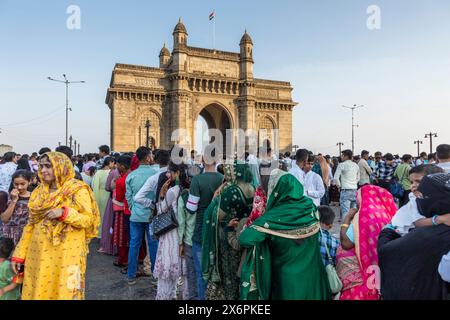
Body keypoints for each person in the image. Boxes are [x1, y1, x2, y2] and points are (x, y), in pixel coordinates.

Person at [11, 152, 100, 299]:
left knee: (66, 290)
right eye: (41, 166)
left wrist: (64, 213)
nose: (43, 170)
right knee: (38, 289)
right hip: (38, 254)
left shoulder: (77, 189)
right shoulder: (39, 191)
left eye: (48, 166)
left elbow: (88, 220)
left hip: (67, 254)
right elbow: (30, 225)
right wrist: (19, 255)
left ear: (61, 166)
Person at [239, 173, 331, 300]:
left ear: (276, 190)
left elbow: (245, 239)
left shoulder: (273, 216)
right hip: (314, 277)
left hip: (288, 282)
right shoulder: (310, 206)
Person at [378, 173, 450, 299]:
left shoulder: (422, 236)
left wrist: (387, 231)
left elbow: (387, 250)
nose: (418, 197)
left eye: (423, 196)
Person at [202, 162, 255, 300]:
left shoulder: (231, 191)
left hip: (231, 238)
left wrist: (215, 201)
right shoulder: (253, 189)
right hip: (247, 236)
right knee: (244, 272)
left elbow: (218, 216)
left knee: (230, 276)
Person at [336, 185, 396, 300]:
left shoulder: (365, 214)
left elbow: (346, 243)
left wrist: (347, 219)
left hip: (363, 277)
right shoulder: (388, 214)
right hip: (384, 272)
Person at [186, 145, 224, 300]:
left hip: (201, 231)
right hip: (219, 232)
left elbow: (191, 208)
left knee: (202, 275)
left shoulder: (197, 180)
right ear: (216, 160)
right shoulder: (223, 179)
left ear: (203, 159)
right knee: (218, 274)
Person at [153, 162, 188, 300]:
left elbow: (162, 210)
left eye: (170, 172)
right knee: (183, 270)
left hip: (171, 232)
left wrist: (162, 195)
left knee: (167, 269)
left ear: (177, 173)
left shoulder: (173, 191)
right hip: (185, 232)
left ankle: (166, 296)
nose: (168, 174)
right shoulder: (188, 189)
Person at [125, 147, 159, 285]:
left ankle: (131, 274)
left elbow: (128, 197)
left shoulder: (131, 175)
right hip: (151, 215)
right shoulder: (155, 174)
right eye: (151, 155)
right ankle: (156, 276)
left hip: (136, 216)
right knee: (153, 245)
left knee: (134, 245)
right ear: (147, 158)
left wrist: (134, 209)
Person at [177, 165, 201, 300]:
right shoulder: (208, 193)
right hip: (204, 238)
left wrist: (180, 242)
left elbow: (181, 222)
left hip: (189, 240)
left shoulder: (184, 196)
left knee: (192, 273)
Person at [0, 170, 32, 245]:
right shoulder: (4, 197)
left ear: (29, 182)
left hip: (26, 236)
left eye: (22, 184)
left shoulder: (34, 197)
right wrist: (14, 201)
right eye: (16, 184)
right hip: (7, 238)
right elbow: (4, 219)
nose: (19, 187)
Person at [99, 160, 120, 255]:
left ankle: (109, 246)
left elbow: (107, 187)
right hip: (125, 202)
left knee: (109, 223)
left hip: (113, 200)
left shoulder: (113, 173)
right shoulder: (131, 172)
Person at [92, 157, 114, 242]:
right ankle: (106, 233)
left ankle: (99, 233)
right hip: (109, 195)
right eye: (113, 163)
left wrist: (95, 198)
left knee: (100, 215)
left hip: (100, 195)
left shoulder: (98, 172)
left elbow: (95, 186)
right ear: (110, 163)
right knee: (108, 216)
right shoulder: (112, 172)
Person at [333, 150, 360, 220]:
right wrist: (353, 183)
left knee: (345, 213)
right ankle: (352, 229)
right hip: (354, 190)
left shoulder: (342, 165)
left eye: (343, 155)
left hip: (345, 190)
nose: (341, 157)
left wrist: (339, 186)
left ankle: (345, 230)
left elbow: (335, 178)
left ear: (346, 156)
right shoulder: (356, 165)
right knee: (353, 213)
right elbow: (358, 178)